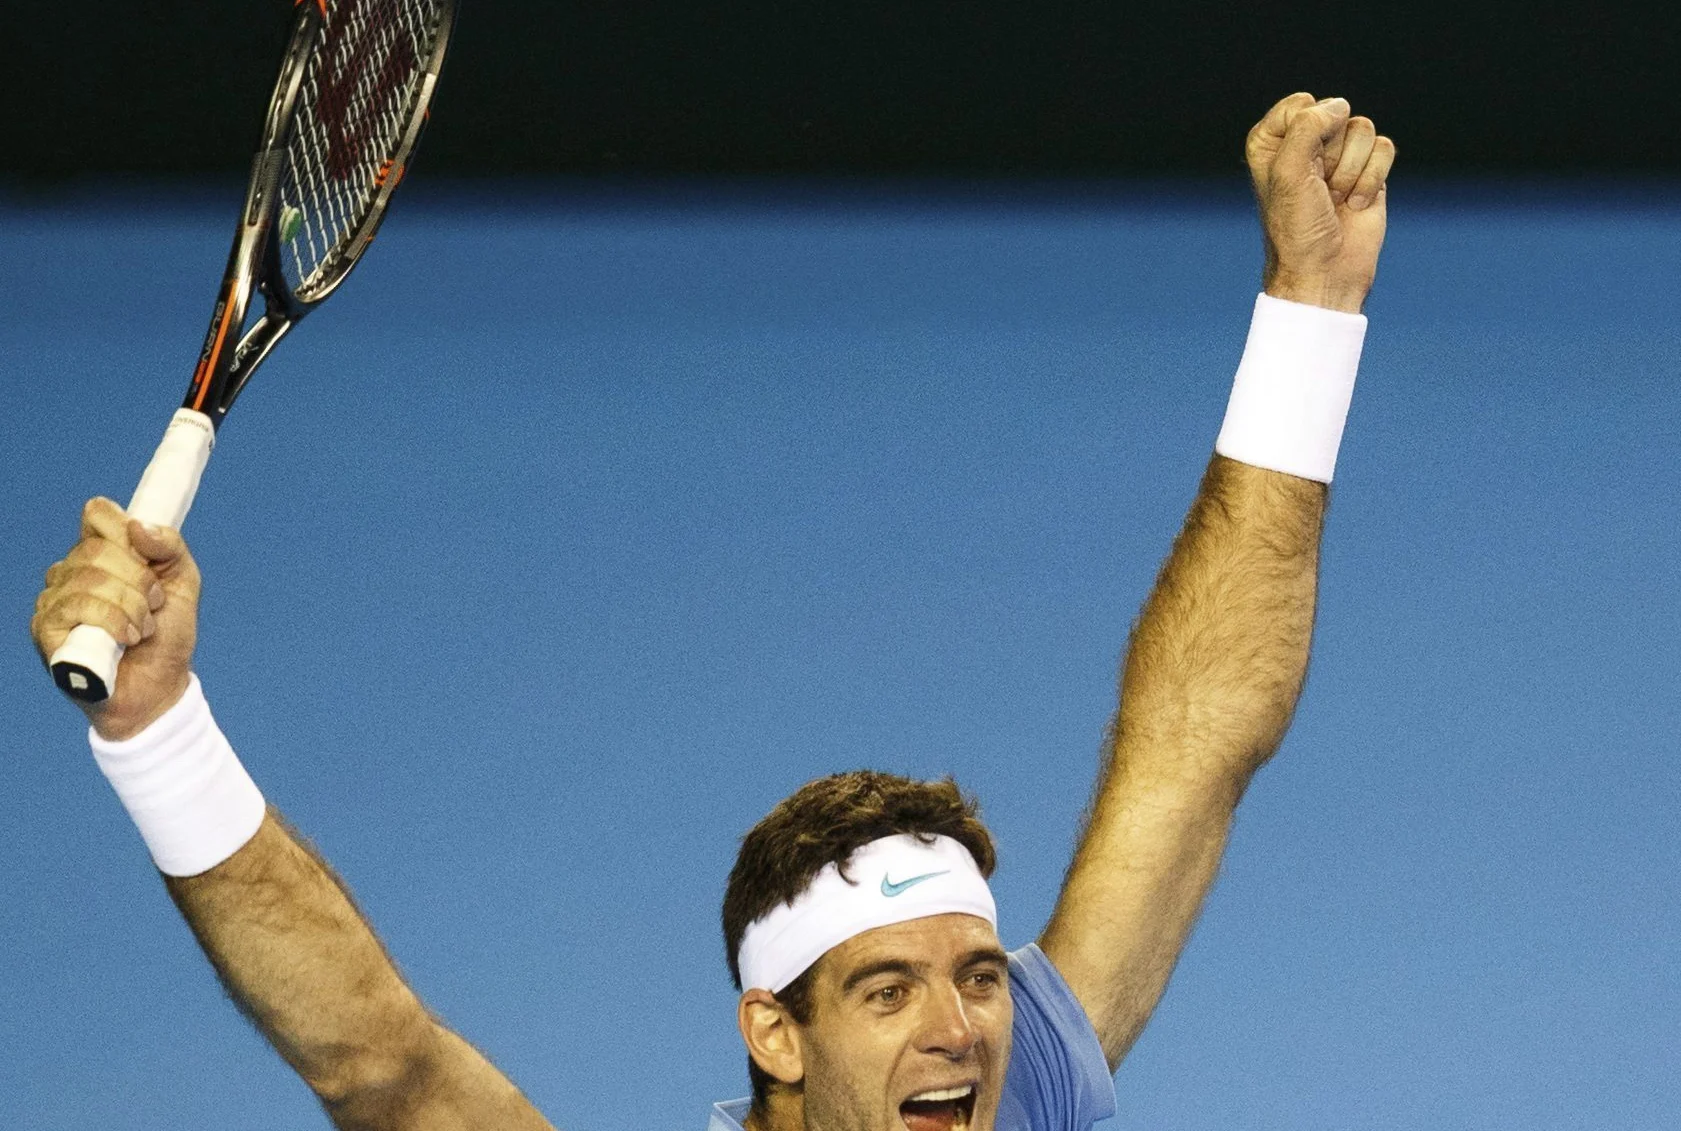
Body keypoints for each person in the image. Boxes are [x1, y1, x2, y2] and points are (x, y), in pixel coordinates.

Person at [29, 92, 1396, 1131]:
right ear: (775, 1036)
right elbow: (377, 1059)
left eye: (976, 974)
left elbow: (1196, 737)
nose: (960, 1029)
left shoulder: (1021, 1078)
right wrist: (155, 730)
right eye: (886, 988)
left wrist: (1313, 311)